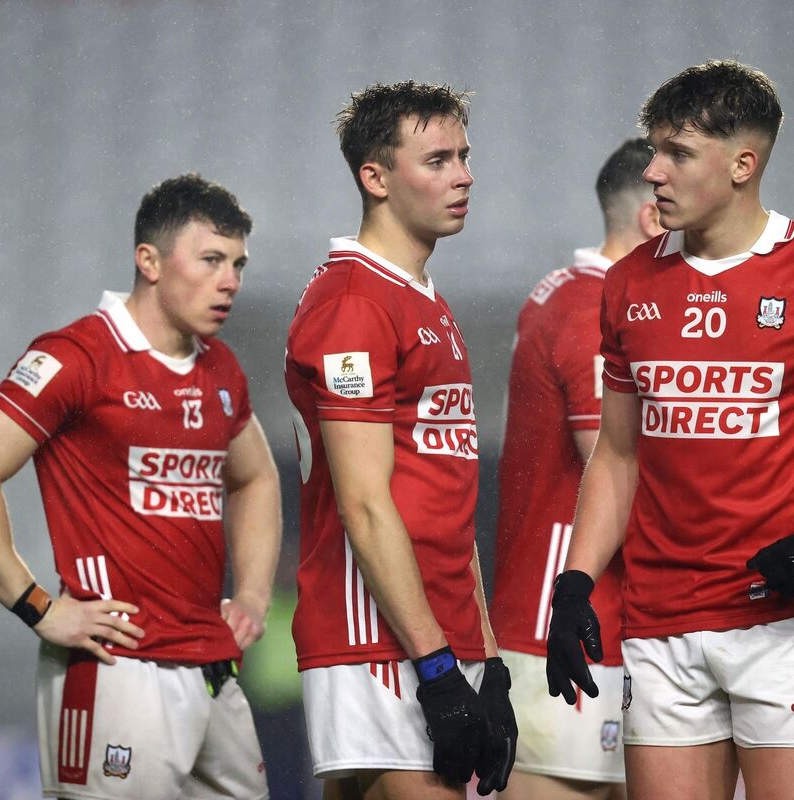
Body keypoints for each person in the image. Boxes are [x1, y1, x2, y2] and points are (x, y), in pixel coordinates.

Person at [545, 60, 794, 800]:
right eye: (654, 150)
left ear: (743, 164)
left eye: (677, 153)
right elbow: (617, 454)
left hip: (785, 623)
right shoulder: (630, 283)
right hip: (660, 621)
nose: (655, 171)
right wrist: (575, 583)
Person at [0, 173, 281, 800]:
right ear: (148, 260)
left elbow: (255, 478)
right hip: (119, 668)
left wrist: (252, 595)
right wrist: (38, 606)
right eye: (210, 259)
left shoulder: (221, 369)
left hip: (212, 667)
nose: (229, 280)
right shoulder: (78, 357)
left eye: (237, 263)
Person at [284, 81, 517, 800]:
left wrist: (489, 657)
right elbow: (364, 503)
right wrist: (438, 668)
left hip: (435, 631)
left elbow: (445, 501)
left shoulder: (423, 302)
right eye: (438, 159)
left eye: (465, 156)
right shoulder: (357, 302)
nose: (464, 175)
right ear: (376, 178)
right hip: (379, 633)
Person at [492, 138, 662, 800]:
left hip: (604, 618)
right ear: (654, 217)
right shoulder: (593, 306)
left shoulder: (570, 294)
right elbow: (612, 465)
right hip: (559, 624)